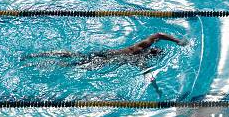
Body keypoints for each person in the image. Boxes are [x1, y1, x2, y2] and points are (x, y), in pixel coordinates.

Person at [23, 32, 188, 96]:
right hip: (101, 63)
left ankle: (36, 56)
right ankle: (38, 65)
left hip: (103, 54)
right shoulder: (141, 62)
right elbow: (150, 78)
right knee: (73, 64)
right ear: (151, 56)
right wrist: (158, 91)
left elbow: (157, 35)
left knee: (74, 56)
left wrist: (177, 41)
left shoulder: (138, 48)